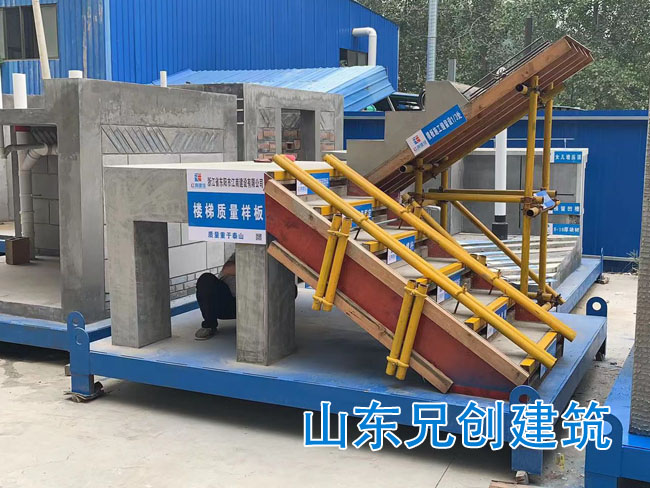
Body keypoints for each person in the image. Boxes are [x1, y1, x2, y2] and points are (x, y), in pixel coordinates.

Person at [194, 253, 236, 340]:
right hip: (229, 304)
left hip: (255, 305)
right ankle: (209, 325)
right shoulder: (240, 253)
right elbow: (227, 269)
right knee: (206, 279)